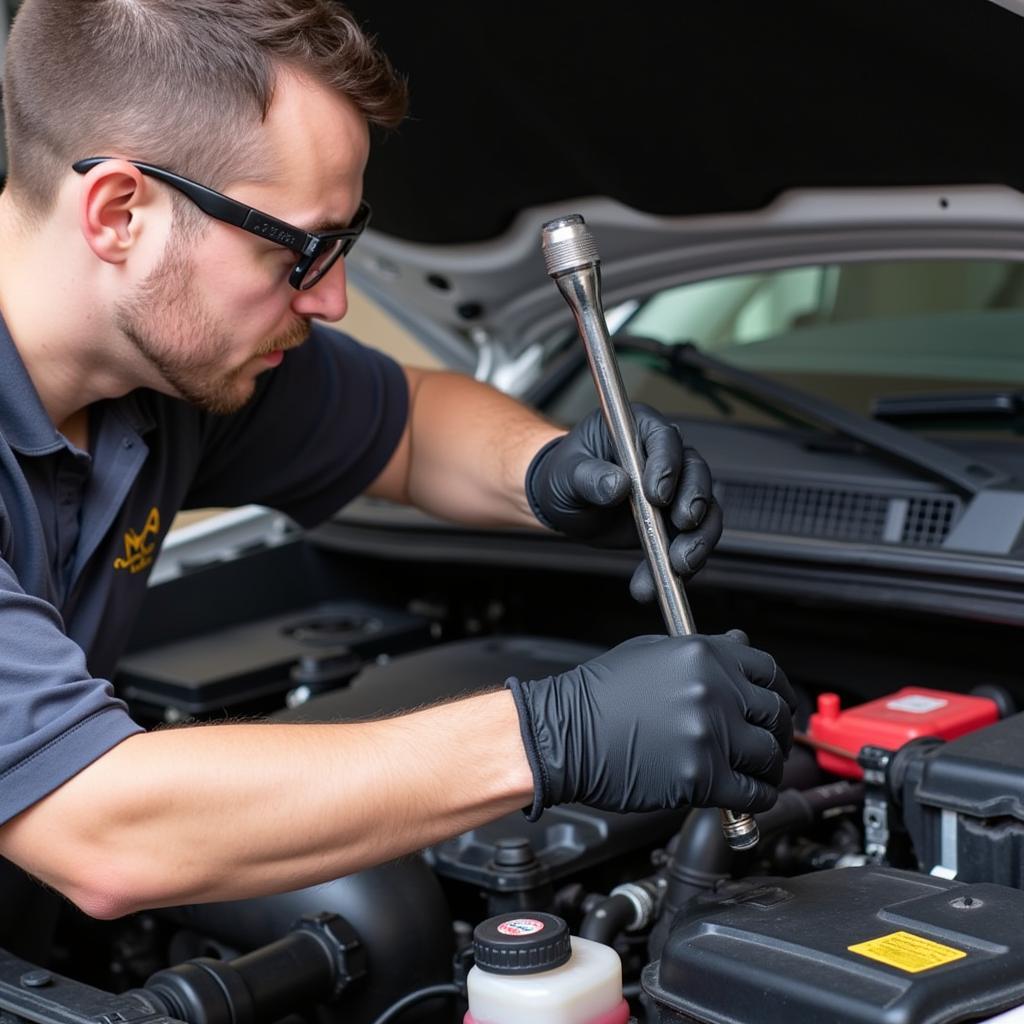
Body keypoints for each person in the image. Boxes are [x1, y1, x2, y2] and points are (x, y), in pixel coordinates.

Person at [0, 0, 794, 920]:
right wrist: (554, 736)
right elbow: (101, 828)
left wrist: (552, 470)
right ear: (119, 213)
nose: (331, 298)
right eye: (301, 252)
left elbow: (409, 426)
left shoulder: (161, 370)